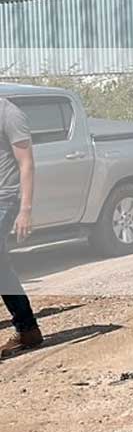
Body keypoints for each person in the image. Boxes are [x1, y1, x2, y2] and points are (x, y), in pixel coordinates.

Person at [0, 96, 43, 361]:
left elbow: (26, 162)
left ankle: (27, 327)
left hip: (5, 197)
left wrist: (25, 210)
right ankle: (28, 329)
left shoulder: (9, 113)